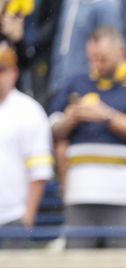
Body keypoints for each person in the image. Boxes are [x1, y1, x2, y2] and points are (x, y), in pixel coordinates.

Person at [49, 27, 126, 248]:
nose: (96, 65)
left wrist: (107, 116)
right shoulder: (77, 82)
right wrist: (70, 119)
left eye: (102, 59)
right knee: (78, 265)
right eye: (91, 59)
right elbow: (53, 129)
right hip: (81, 194)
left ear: (121, 52)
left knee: (125, 265)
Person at [0, 39, 52, 240]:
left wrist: (27, 218)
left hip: (14, 217)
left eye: (2, 69)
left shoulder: (29, 110)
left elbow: (39, 170)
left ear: (14, 72)